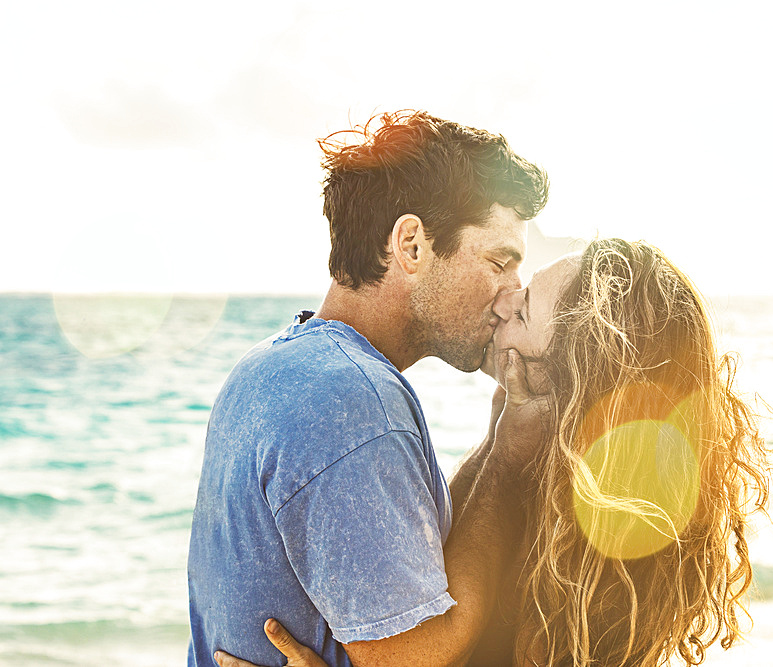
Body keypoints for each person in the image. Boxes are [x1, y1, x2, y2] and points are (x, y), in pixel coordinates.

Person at [214, 239, 773, 666]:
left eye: (524, 311)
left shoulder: (590, 553)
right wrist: (501, 433)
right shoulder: (557, 472)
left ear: (569, 380)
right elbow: (443, 562)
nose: (503, 302)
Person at [187, 110, 551, 666]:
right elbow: (415, 658)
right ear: (411, 245)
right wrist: (504, 464)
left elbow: (411, 571)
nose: (510, 295)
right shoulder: (353, 402)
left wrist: (502, 429)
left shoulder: (274, 367)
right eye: (499, 263)